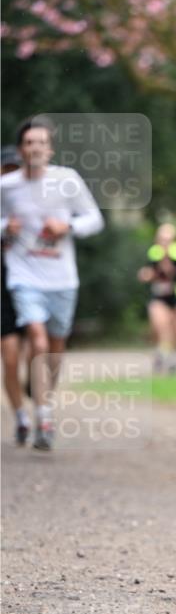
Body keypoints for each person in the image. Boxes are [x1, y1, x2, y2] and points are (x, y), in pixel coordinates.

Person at [0, 117, 104, 450]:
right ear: (21, 149)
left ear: (50, 149)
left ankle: (44, 399)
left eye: (41, 143)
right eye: (29, 143)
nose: (35, 148)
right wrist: (6, 228)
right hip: (23, 275)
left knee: (55, 350)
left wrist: (67, 227)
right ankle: (43, 418)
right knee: (38, 339)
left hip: (62, 279)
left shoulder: (67, 180)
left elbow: (94, 219)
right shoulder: (7, 185)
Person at [137, 223, 176, 373]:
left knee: (174, 329)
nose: (165, 242)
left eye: (168, 239)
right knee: (160, 326)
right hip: (159, 296)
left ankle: (170, 356)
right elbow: (148, 271)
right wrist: (147, 275)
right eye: (162, 239)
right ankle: (165, 352)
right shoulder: (154, 252)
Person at [1, 145, 30, 444]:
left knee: (39, 347)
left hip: (37, 284)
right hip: (4, 287)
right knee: (10, 358)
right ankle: (21, 416)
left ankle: (36, 389)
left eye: (15, 169)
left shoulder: (38, 199)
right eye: (6, 169)